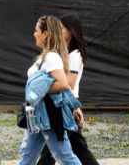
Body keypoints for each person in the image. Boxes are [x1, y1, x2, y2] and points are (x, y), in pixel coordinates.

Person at [17, 15, 83, 165]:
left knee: (64, 155)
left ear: (45, 34)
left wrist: (37, 90)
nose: (34, 34)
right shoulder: (45, 56)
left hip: (49, 114)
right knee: (27, 154)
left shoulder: (52, 57)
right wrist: (74, 106)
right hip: (38, 112)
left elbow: (63, 83)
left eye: (36, 30)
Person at [37, 13, 99, 165]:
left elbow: (68, 84)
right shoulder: (62, 53)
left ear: (71, 31)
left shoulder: (75, 55)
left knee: (50, 150)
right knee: (78, 149)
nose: (58, 32)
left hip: (66, 103)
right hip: (64, 103)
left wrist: (44, 85)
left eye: (62, 28)